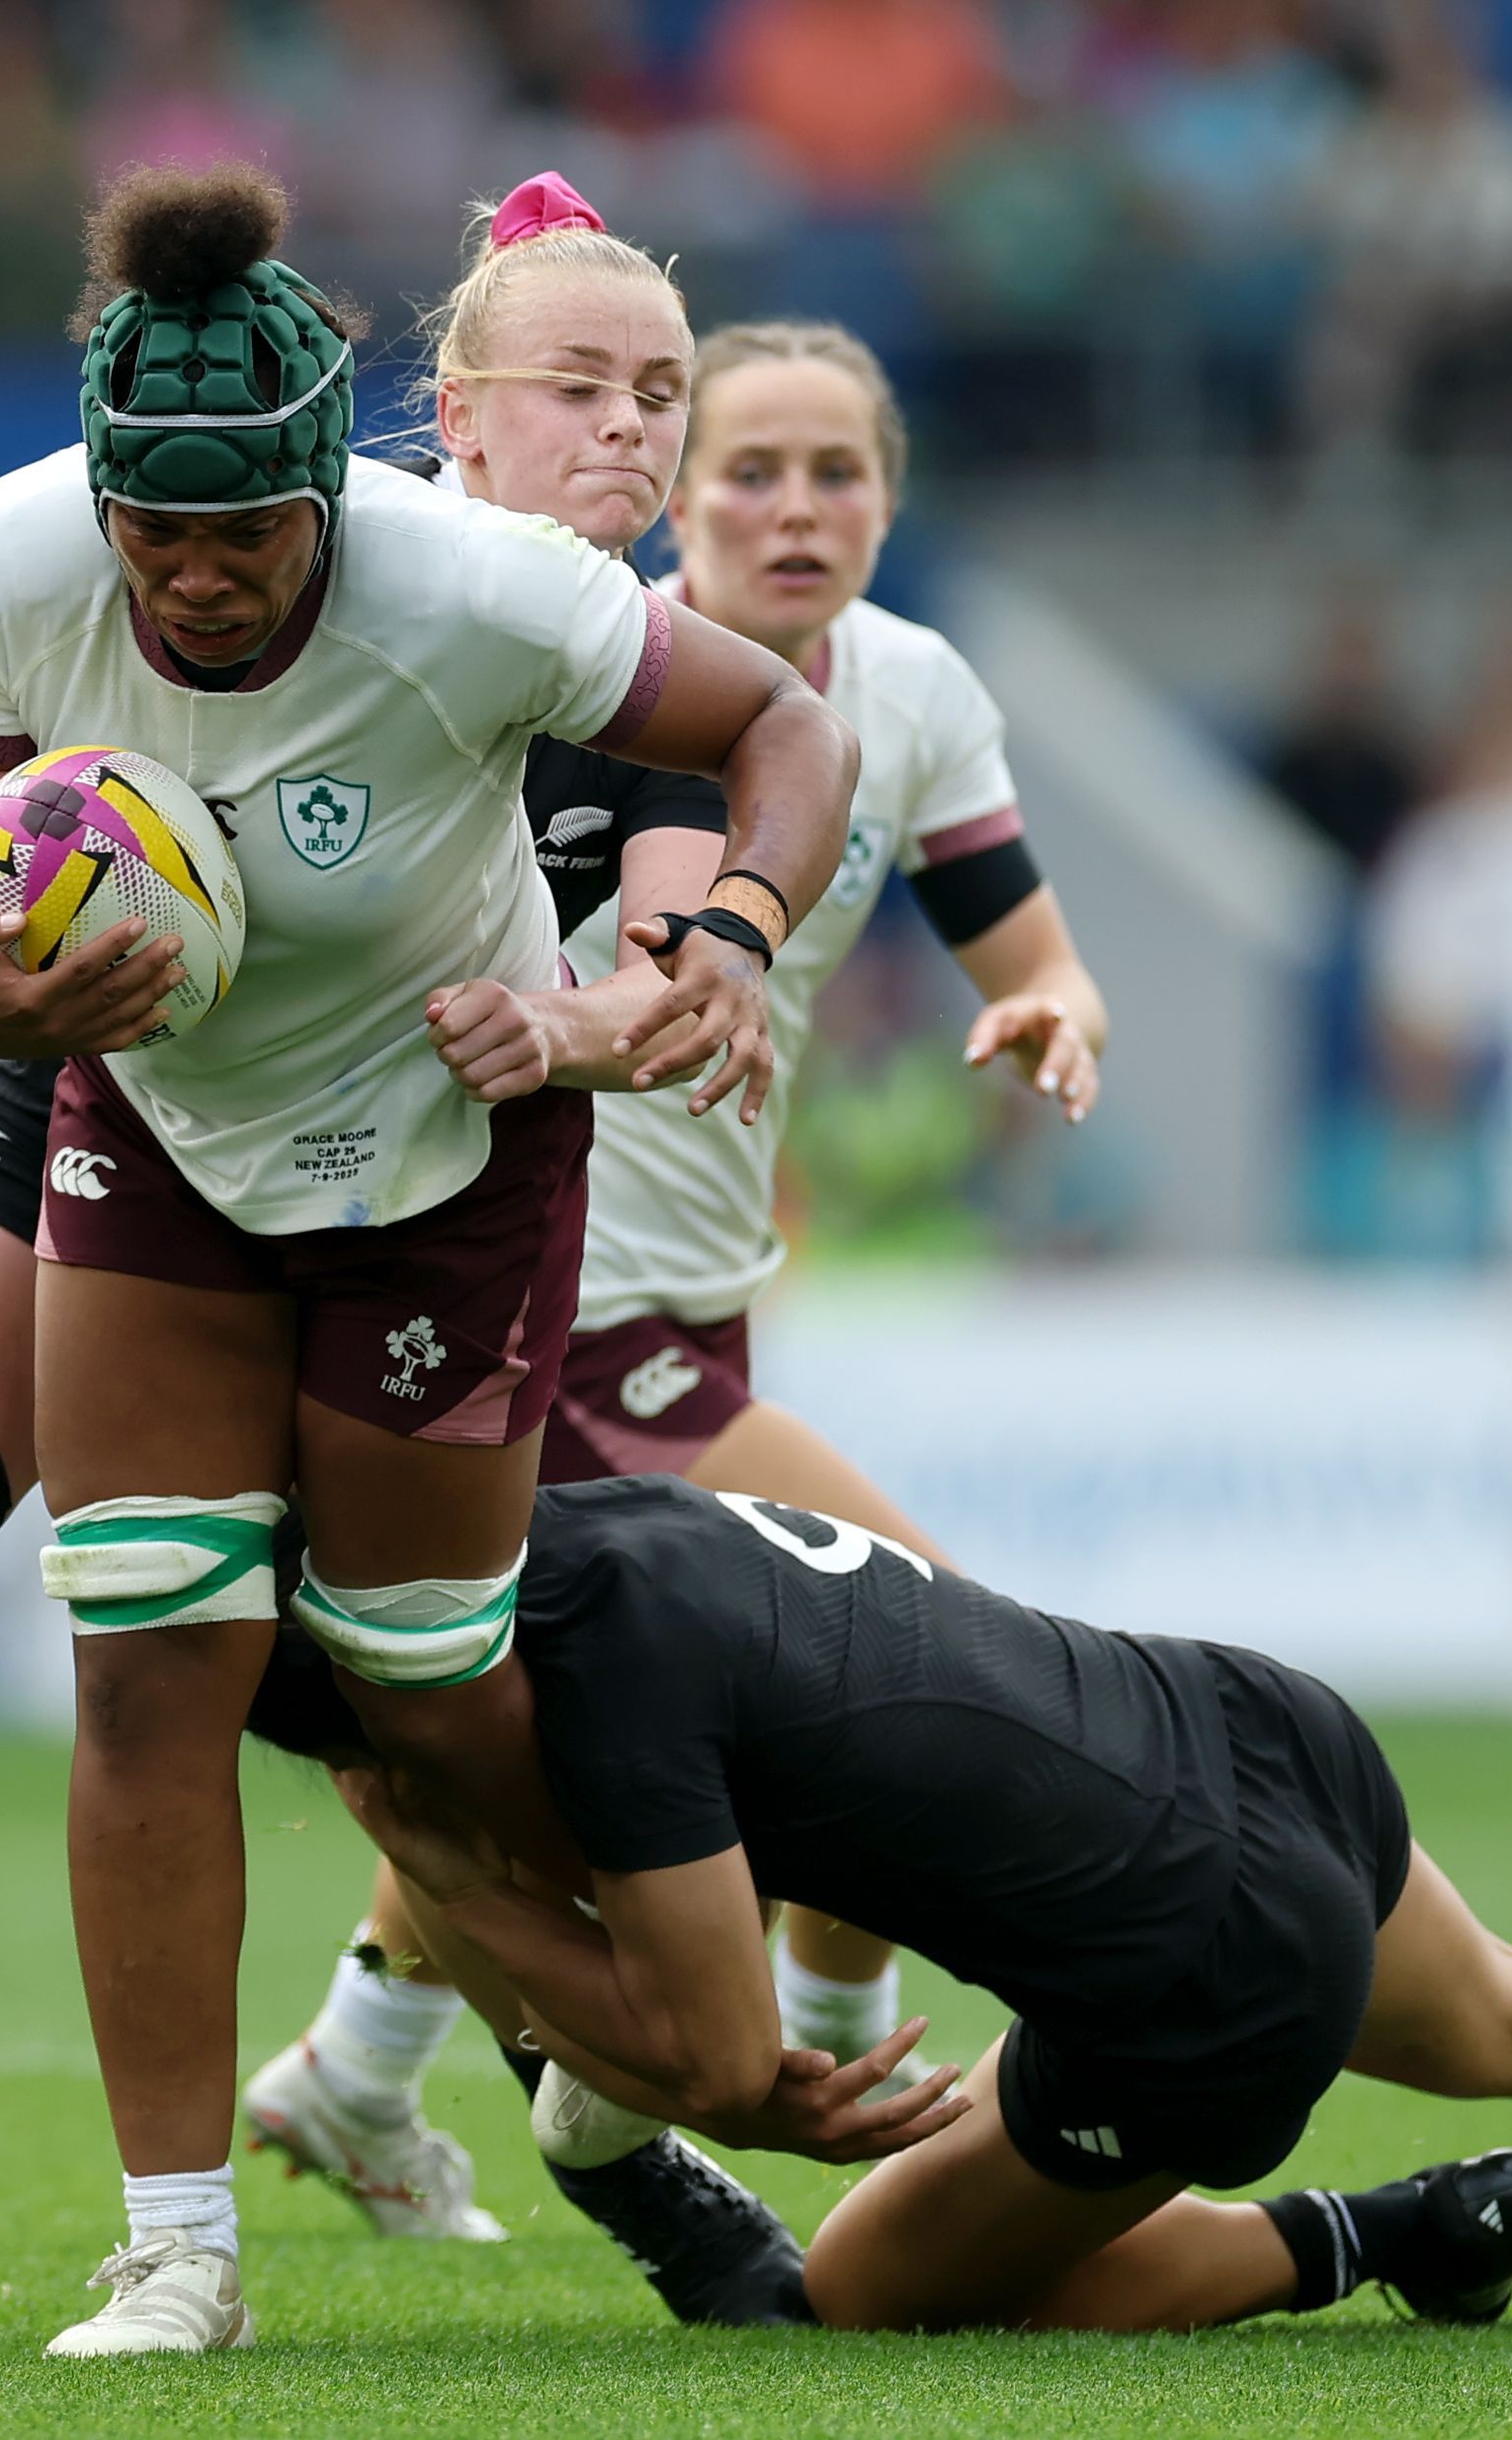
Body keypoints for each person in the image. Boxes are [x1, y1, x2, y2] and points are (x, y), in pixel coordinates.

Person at [0, 162, 860, 2357]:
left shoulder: (529, 620)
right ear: (440, 409)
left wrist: (665, 974)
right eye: (590, 389)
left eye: (668, 395)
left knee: (412, 1703)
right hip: (107, 1091)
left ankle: (622, 2117)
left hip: (427, 1156)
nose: (641, 437)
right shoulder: (30, 557)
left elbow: (733, 817)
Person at [249, 314, 1109, 2211]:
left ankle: (359, 2068)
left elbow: (1018, 938)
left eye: (838, 473)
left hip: (705, 1297)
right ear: (681, 497)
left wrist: (1047, 1005)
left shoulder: (918, 692)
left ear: (891, 497)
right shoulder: (587, 675)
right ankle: (818, 2042)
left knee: (514, 1708)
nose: (795, 508)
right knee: (916, 1642)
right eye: (750, 469)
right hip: (555, 1297)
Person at [260, 1474, 1512, 2334]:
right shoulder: (598, 1523)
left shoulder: (599, 1693)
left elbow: (725, 2068)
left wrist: (431, 1859)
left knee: (853, 2296)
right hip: (1245, 1722)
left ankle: (1378, 2235)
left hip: (1189, 1973)